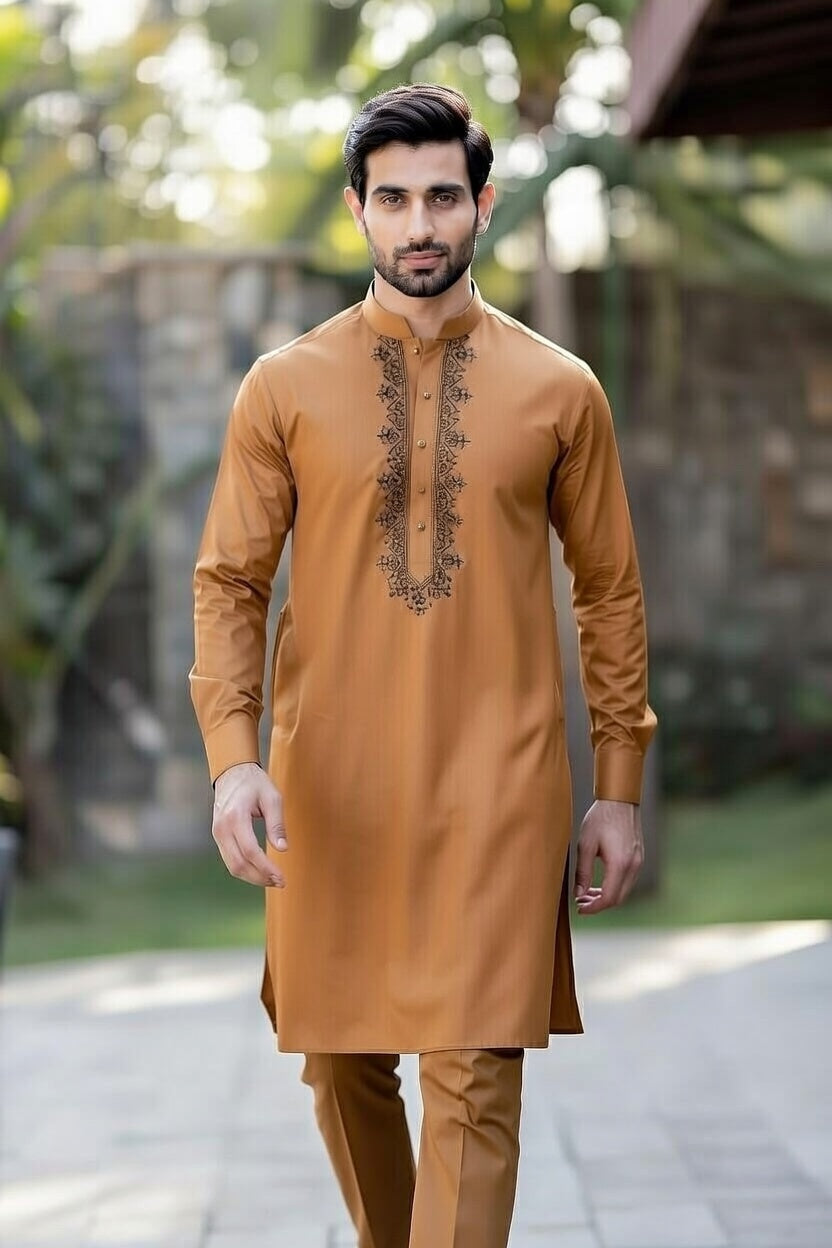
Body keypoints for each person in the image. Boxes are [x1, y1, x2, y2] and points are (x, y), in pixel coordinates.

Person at [189, 83, 657, 1248]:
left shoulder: (560, 390)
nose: (419, 225)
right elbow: (229, 584)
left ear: (482, 205)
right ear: (357, 210)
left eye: (442, 196)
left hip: (498, 784)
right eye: (392, 199)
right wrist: (231, 763)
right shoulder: (284, 387)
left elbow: (608, 592)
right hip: (328, 785)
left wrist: (616, 784)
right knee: (338, 1064)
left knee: (474, 1069)